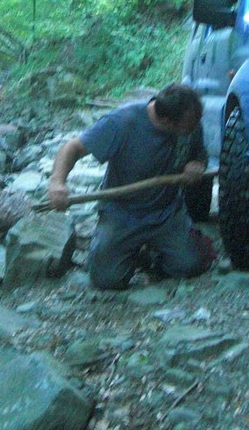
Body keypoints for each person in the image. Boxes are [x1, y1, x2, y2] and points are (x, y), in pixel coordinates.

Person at [47, 82, 209, 290]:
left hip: (166, 212)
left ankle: (151, 255)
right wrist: (57, 182)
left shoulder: (191, 122)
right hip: (122, 213)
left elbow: (199, 154)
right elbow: (73, 148)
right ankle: (129, 251)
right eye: (190, 126)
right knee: (106, 280)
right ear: (167, 122)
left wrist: (197, 164)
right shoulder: (122, 122)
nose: (196, 127)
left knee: (190, 266)